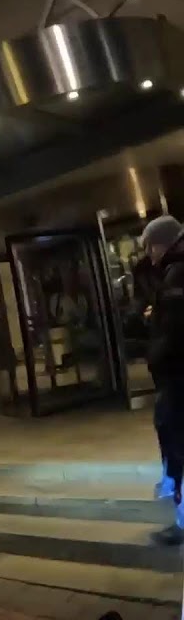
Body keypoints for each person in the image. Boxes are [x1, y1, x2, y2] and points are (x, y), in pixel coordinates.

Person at [141, 215, 184, 545]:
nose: (148, 253)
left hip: (178, 375)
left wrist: (155, 357)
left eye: (149, 246)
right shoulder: (172, 272)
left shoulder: (177, 274)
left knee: (177, 438)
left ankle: (182, 522)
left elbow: (173, 331)